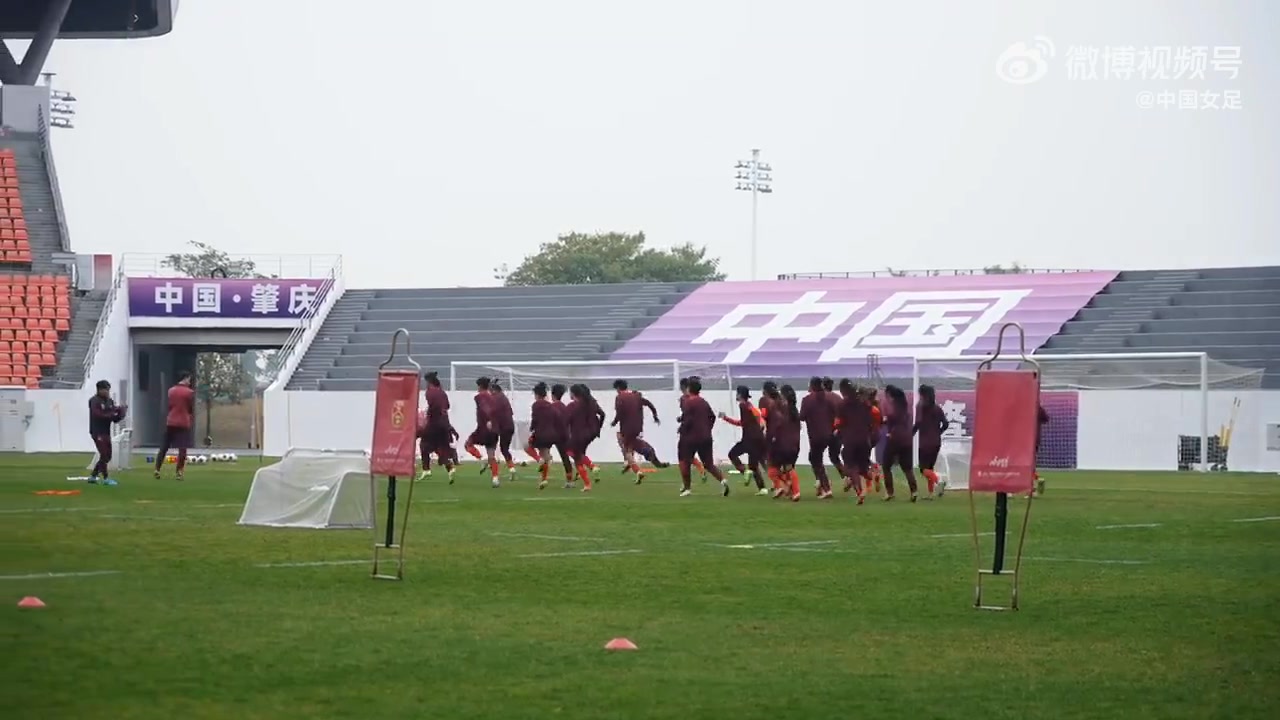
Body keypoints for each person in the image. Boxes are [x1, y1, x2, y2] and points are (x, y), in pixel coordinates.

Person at [676, 377, 728, 497]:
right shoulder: (703, 402)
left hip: (690, 438)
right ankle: (723, 480)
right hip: (706, 437)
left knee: (684, 461)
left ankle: (687, 488)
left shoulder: (689, 402)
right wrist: (707, 429)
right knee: (709, 464)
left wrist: (682, 429)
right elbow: (712, 417)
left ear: (689, 388)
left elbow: (688, 420)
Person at [611, 378, 667, 480]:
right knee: (631, 443)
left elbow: (619, 413)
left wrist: (614, 422)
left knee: (627, 449)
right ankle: (644, 458)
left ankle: (638, 470)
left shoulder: (619, 397)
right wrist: (655, 416)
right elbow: (649, 404)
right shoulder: (636, 395)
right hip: (638, 427)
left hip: (627, 428)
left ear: (618, 388)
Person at [720, 385, 769, 495]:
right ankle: (762, 488)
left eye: (737, 393)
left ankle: (744, 471)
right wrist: (726, 418)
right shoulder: (749, 405)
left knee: (732, 454)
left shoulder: (743, 405)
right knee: (754, 465)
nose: (736, 395)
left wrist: (725, 418)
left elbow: (745, 421)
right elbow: (747, 420)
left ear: (740, 395)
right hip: (758, 438)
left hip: (749, 439)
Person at [154, 370, 195, 480]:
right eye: (189, 379)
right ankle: (179, 472)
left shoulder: (171, 391)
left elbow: (170, 405)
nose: (190, 382)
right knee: (182, 448)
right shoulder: (189, 392)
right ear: (185, 378)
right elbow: (190, 408)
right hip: (183, 422)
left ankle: (157, 469)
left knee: (164, 446)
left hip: (171, 421)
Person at [837, 380, 873, 504]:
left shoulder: (842, 405)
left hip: (850, 439)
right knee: (862, 468)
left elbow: (839, 422)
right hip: (865, 439)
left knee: (850, 467)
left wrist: (839, 431)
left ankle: (859, 491)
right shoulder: (865, 404)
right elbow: (869, 422)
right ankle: (874, 473)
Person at [881, 384, 920, 502]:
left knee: (886, 466)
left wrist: (886, 423)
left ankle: (890, 492)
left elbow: (888, 421)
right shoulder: (905, 409)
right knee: (907, 468)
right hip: (907, 440)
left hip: (895, 439)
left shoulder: (893, 411)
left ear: (890, 396)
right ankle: (914, 491)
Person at [800, 376, 836, 499]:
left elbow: (802, 416)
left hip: (815, 435)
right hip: (828, 433)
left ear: (812, 386)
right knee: (815, 458)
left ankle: (826, 487)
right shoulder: (828, 398)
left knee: (816, 460)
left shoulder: (807, 399)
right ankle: (822, 483)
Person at [528, 382, 568, 490]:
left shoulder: (536, 405)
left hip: (540, 434)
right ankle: (544, 479)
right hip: (551, 435)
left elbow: (535, 419)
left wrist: (531, 428)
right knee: (545, 454)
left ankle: (539, 460)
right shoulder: (550, 406)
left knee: (527, 446)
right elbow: (557, 418)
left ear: (537, 394)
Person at [418, 371, 457, 483]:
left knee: (424, 445)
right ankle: (449, 467)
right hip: (444, 424)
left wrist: (428, 414)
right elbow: (447, 406)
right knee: (438, 447)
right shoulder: (442, 392)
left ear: (429, 382)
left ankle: (426, 469)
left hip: (434, 423)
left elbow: (433, 407)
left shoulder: (429, 392)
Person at [464, 376, 502, 487]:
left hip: (483, 429)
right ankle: (495, 478)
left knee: (468, 444)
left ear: (480, 386)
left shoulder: (479, 397)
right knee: (492, 455)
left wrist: (489, 419)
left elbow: (485, 407)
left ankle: (481, 459)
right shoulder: (493, 397)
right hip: (494, 430)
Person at [913, 384, 950, 498]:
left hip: (925, 443)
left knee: (923, 469)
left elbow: (918, 422)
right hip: (936, 442)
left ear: (922, 394)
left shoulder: (920, 406)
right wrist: (938, 432)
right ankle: (930, 493)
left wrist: (911, 433)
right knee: (930, 468)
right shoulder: (937, 408)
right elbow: (946, 424)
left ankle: (939, 481)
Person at [87, 380, 126, 485]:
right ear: (99, 390)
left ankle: (93, 476)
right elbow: (98, 415)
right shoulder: (94, 401)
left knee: (108, 456)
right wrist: (112, 414)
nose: (107, 392)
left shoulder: (110, 401)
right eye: (105, 390)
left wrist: (121, 414)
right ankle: (105, 478)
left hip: (106, 431)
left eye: (108, 390)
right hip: (97, 431)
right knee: (104, 454)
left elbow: (114, 419)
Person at [769, 384, 802, 501]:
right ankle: (795, 491)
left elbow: (779, 425)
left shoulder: (783, 409)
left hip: (783, 444)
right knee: (789, 468)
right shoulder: (795, 410)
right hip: (795, 444)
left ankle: (786, 487)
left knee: (773, 469)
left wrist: (773, 437)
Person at [567, 384, 602, 492]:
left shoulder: (572, 406)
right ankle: (587, 482)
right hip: (589, 434)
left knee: (572, 453)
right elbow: (602, 414)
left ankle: (591, 467)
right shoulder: (590, 403)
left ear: (573, 393)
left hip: (577, 435)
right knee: (578, 455)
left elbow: (566, 420)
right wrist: (598, 429)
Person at [676, 377, 709, 482]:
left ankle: (687, 484)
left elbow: (688, 415)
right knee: (688, 455)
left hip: (688, 431)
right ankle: (701, 469)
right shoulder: (694, 399)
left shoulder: (686, 399)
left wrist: (682, 423)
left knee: (684, 456)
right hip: (695, 430)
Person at [489, 382, 519, 481]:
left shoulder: (495, 398)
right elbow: (510, 412)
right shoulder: (504, 398)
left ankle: (495, 471)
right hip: (510, 426)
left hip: (502, 427)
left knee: (493, 447)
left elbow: (492, 412)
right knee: (504, 448)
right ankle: (511, 468)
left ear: (494, 390)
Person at [760, 381, 783, 490]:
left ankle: (778, 484)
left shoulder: (764, 401)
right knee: (780, 460)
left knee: (768, 459)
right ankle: (782, 483)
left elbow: (763, 415)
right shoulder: (780, 400)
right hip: (783, 432)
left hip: (771, 433)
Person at [822, 377, 846, 478]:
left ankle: (822, 480)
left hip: (825, 431)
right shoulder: (838, 398)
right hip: (838, 431)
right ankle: (847, 476)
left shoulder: (821, 398)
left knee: (816, 456)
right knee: (834, 456)